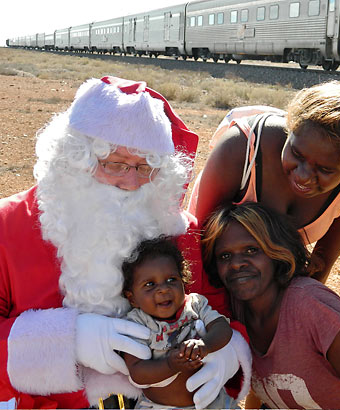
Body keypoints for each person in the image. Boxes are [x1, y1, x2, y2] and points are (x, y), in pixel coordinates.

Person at [0, 76, 250, 409]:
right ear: (76, 159)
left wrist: (228, 351)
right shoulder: (9, 224)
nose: (131, 183)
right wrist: (63, 341)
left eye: (146, 167)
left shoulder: (177, 229)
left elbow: (216, 307)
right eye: (114, 164)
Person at [189, 70, 340, 283]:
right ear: (290, 128)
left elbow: (319, 268)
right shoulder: (241, 146)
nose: (304, 176)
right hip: (209, 267)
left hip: (264, 282)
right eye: (296, 154)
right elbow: (195, 247)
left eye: (325, 170)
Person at [201, 202, 340, 409]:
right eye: (225, 256)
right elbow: (263, 389)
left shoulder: (310, 304)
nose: (236, 264)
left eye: (251, 250)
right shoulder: (229, 311)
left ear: (276, 252)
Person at [121, 237, 236, 409]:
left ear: (183, 281)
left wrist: (205, 345)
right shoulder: (136, 323)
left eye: (171, 280)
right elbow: (137, 372)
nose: (164, 289)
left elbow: (222, 328)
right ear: (132, 298)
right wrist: (169, 365)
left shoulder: (195, 305)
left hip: (213, 403)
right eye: (150, 284)